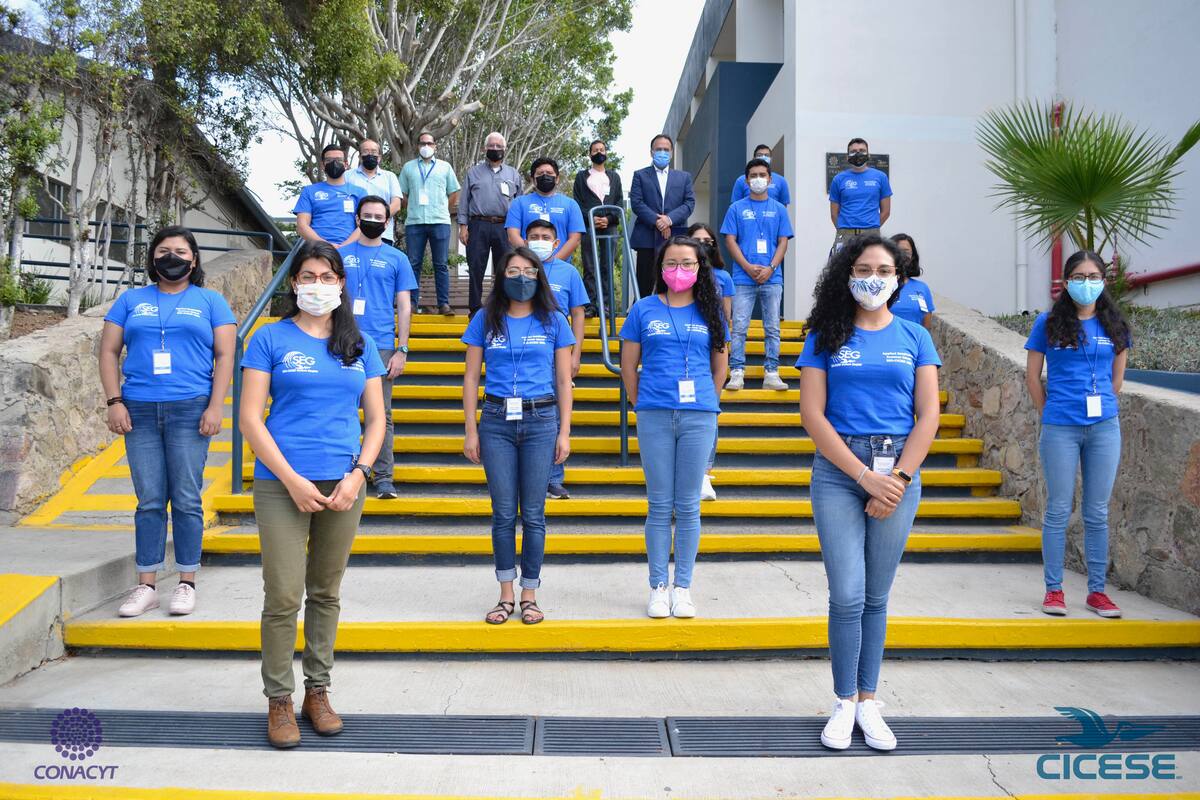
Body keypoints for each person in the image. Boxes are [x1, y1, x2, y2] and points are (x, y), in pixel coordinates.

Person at [239, 240, 386, 749]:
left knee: (326, 591)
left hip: (344, 483)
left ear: (341, 284)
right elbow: (250, 419)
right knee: (283, 595)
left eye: (327, 276)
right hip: (282, 483)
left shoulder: (358, 343)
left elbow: (377, 419)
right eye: (308, 276)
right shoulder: (268, 339)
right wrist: (291, 480)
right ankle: (279, 699)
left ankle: (317, 691)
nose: (317, 285)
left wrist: (359, 474)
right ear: (294, 282)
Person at [796, 235, 941, 753]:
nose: (873, 277)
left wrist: (897, 480)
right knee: (848, 594)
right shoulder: (824, 334)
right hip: (840, 471)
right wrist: (863, 477)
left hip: (899, 470)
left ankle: (869, 700)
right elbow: (812, 415)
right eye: (863, 268)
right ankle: (842, 701)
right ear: (846, 274)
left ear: (899, 278)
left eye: (884, 269)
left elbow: (929, 415)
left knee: (877, 597)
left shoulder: (915, 336)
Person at [99, 226, 235, 618]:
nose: (171, 257)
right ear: (152, 259)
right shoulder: (131, 300)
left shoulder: (210, 301)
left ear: (193, 259)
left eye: (179, 251)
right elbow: (108, 352)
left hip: (191, 408)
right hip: (138, 409)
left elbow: (225, 356)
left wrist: (215, 407)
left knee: (188, 499)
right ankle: (146, 586)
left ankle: (186, 582)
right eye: (163, 251)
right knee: (150, 500)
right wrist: (114, 401)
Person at [461, 247, 575, 626]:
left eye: (528, 270)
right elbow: (471, 377)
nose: (521, 276)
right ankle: (505, 595)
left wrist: (565, 431)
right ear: (502, 275)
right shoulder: (485, 318)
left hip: (542, 419)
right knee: (503, 514)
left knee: (535, 514)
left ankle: (530, 594)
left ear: (539, 276)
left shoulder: (554, 320)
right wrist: (470, 429)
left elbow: (563, 380)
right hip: (495, 420)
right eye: (513, 270)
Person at [620, 236, 729, 619]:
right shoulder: (644, 310)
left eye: (687, 263)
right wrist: (643, 402)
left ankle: (682, 586)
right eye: (671, 263)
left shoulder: (710, 310)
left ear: (700, 267)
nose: (679, 270)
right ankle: (657, 586)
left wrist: (706, 402)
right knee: (659, 504)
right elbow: (628, 367)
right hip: (654, 414)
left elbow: (721, 368)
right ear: (660, 268)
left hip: (699, 416)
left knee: (688, 506)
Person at [1024, 250, 1131, 619]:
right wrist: (1049, 414)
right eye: (1079, 277)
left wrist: (1100, 404)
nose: (1087, 284)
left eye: (1093, 276)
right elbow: (1032, 377)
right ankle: (1054, 591)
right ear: (1066, 282)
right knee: (1057, 509)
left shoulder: (1115, 324)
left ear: (1103, 280)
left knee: (1097, 512)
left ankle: (1097, 592)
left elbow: (1117, 380)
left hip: (1104, 427)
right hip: (1060, 428)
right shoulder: (1047, 323)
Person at [339, 195, 418, 499]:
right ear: (357, 219)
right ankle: (342, 468)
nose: (373, 220)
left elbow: (403, 304)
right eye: (367, 215)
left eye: (378, 216)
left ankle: (383, 476)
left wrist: (403, 348)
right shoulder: (340, 255)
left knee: (381, 413)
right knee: (340, 406)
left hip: (382, 344)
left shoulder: (397, 258)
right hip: (341, 339)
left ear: (387, 222)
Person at [526, 219, 589, 499]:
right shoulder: (519, 269)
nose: (539, 240)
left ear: (556, 243)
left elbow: (578, 314)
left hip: (558, 351)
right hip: (527, 350)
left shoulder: (568, 272)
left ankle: (553, 478)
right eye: (534, 236)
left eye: (545, 236)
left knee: (554, 413)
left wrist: (576, 353)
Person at [721, 158, 793, 392]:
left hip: (772, 277)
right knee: (739, 325)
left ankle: (772, 372)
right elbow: (730, 240)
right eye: (753, 175)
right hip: (743, 278)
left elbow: (783, 242)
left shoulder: (779, 208)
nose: (758, 179)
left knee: (772, 326)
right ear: (746, 180)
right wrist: (748, 266)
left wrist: (771, 268)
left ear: (770, 180)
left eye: (762, 175)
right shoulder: (736, 208)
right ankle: (737, 371)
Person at [687, 222, 733, 502]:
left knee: (709, 411)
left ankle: (704, 473)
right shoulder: (680, 272)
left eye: (708, 240)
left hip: (710, 340)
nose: (704, 244)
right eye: (697, 240)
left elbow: (726, 313)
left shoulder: (723, 277)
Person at [458, 132, 523, 317]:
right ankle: (475, 309)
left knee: (506, 267)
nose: (495, 149)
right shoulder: (473, 172)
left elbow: (519, 203)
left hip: (505, 226)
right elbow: (464, 201)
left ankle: (503, 306)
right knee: (476, 267)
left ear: (504, 149)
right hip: (478, 224)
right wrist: (463, 226)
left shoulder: (513, 174)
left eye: (498, 146)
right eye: (491, 146)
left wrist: (519, 230)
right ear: (485, 148)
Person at [399, 131, 460, 315]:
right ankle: (412, 303)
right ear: (418, 146)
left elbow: (454, 192)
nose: (426, 146)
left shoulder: (445, 167)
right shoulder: (409, 167)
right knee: (413, 263)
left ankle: (444, 304)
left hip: (440, 221)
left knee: (440, 264)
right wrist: (414, 207)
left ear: (435, 146)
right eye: (422, 143)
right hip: (415, 222)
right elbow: (403, 193)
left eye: (430, 143)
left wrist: (443, 209)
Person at [629, 134, 696, 299]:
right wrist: (659, 222)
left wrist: (669, 220)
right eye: (658, 149)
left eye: (666, 149)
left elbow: (689, 203)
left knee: (672, 282)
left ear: (672, 152)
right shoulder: (640, 175)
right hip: (646, 239)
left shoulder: (684, 177)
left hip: (675, 237)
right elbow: (637, 203)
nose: (662, 152)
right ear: (651, 152)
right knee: (644, 284)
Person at [572, 139, 624, 318]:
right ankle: (591, 305)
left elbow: (619, 202)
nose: (599, 152)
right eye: (595, 150)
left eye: (602, 149)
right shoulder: (581, 176)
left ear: (606, 153)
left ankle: (607, 306)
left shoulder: (614, 177)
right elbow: (577, 202)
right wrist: (591, 218)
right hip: (589, 226)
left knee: (607, 265)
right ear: (590, 154)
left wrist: (608, 219)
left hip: (610, 227)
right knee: (590, 266)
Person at [505, 157, 585, 262]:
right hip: (528, 266)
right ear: (533, 179)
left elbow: (575, 239)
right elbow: (512, 235)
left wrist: (555, 262)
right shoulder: (519, 203)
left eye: (549, 173)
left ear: (557, 179)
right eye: (540, 173)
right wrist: (531, 260)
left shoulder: (571, 204)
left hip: (560, 266)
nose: (545, 176)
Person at [294, 144, 367, 247]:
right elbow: (302, 226)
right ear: (323, 165)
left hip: (350, 249)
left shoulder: (360, 192)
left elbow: (364, 225)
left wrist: (344, 246)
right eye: (329, 160)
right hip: (316, 248)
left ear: (346, 165)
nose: (334, 163)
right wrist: (326, 246)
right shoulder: (309, 191)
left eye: (338, 159)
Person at [828, 138, 892, 252]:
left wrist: (871, 228)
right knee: (842, 269)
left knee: (870, 267)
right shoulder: (838, 179)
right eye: (853, 151)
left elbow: (886, 211)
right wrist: (844, 229)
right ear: (847, 157)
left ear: (868, 154)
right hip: (845, 235)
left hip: (871, 235)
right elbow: (834, 214)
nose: (858, 154)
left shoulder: (881, 177)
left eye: (862, 150)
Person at [344, 139, 403, 246]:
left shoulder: (389, 177)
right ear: (360, 156)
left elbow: (396, 204)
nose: (370, 154)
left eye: (374, 152)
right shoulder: (347, 176)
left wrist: (376, 219)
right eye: (366, 151)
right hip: (351, 235)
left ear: (379, 157)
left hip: (383, 234)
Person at [889, 233, 935, 328]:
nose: (902, 255)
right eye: (898, 251)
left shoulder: (922, 288)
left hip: (913, 342)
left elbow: (926, 328)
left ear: (913, 256)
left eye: (906, 251)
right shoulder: (879, 286)